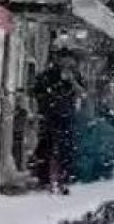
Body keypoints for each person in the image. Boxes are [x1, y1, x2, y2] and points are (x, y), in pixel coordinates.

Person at [33, 51, 85, 194]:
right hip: (50, 115)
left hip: (67, 116)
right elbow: (37, 91)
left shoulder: (75, 76)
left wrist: (72, 81)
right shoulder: (48, 75)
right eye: (65, 60)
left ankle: (64, 179)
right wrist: (45, 102)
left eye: (71, 61)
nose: (68, 64)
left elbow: (82, 92)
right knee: (46, 146)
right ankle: (43, 179)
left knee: (66, 148)